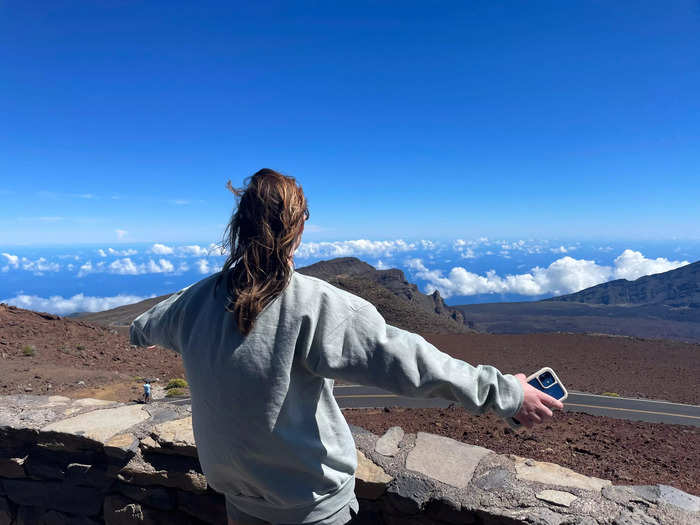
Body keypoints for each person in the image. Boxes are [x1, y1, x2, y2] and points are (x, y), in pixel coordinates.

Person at [130, 169, 563, 525]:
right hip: (312, 509)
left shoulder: (194, 303)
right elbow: (413, 363)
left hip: (240, 501)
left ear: (239, 227)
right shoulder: (317, 306)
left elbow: (145, 325)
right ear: (299, 230)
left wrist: (155, 337)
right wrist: (507, 393)